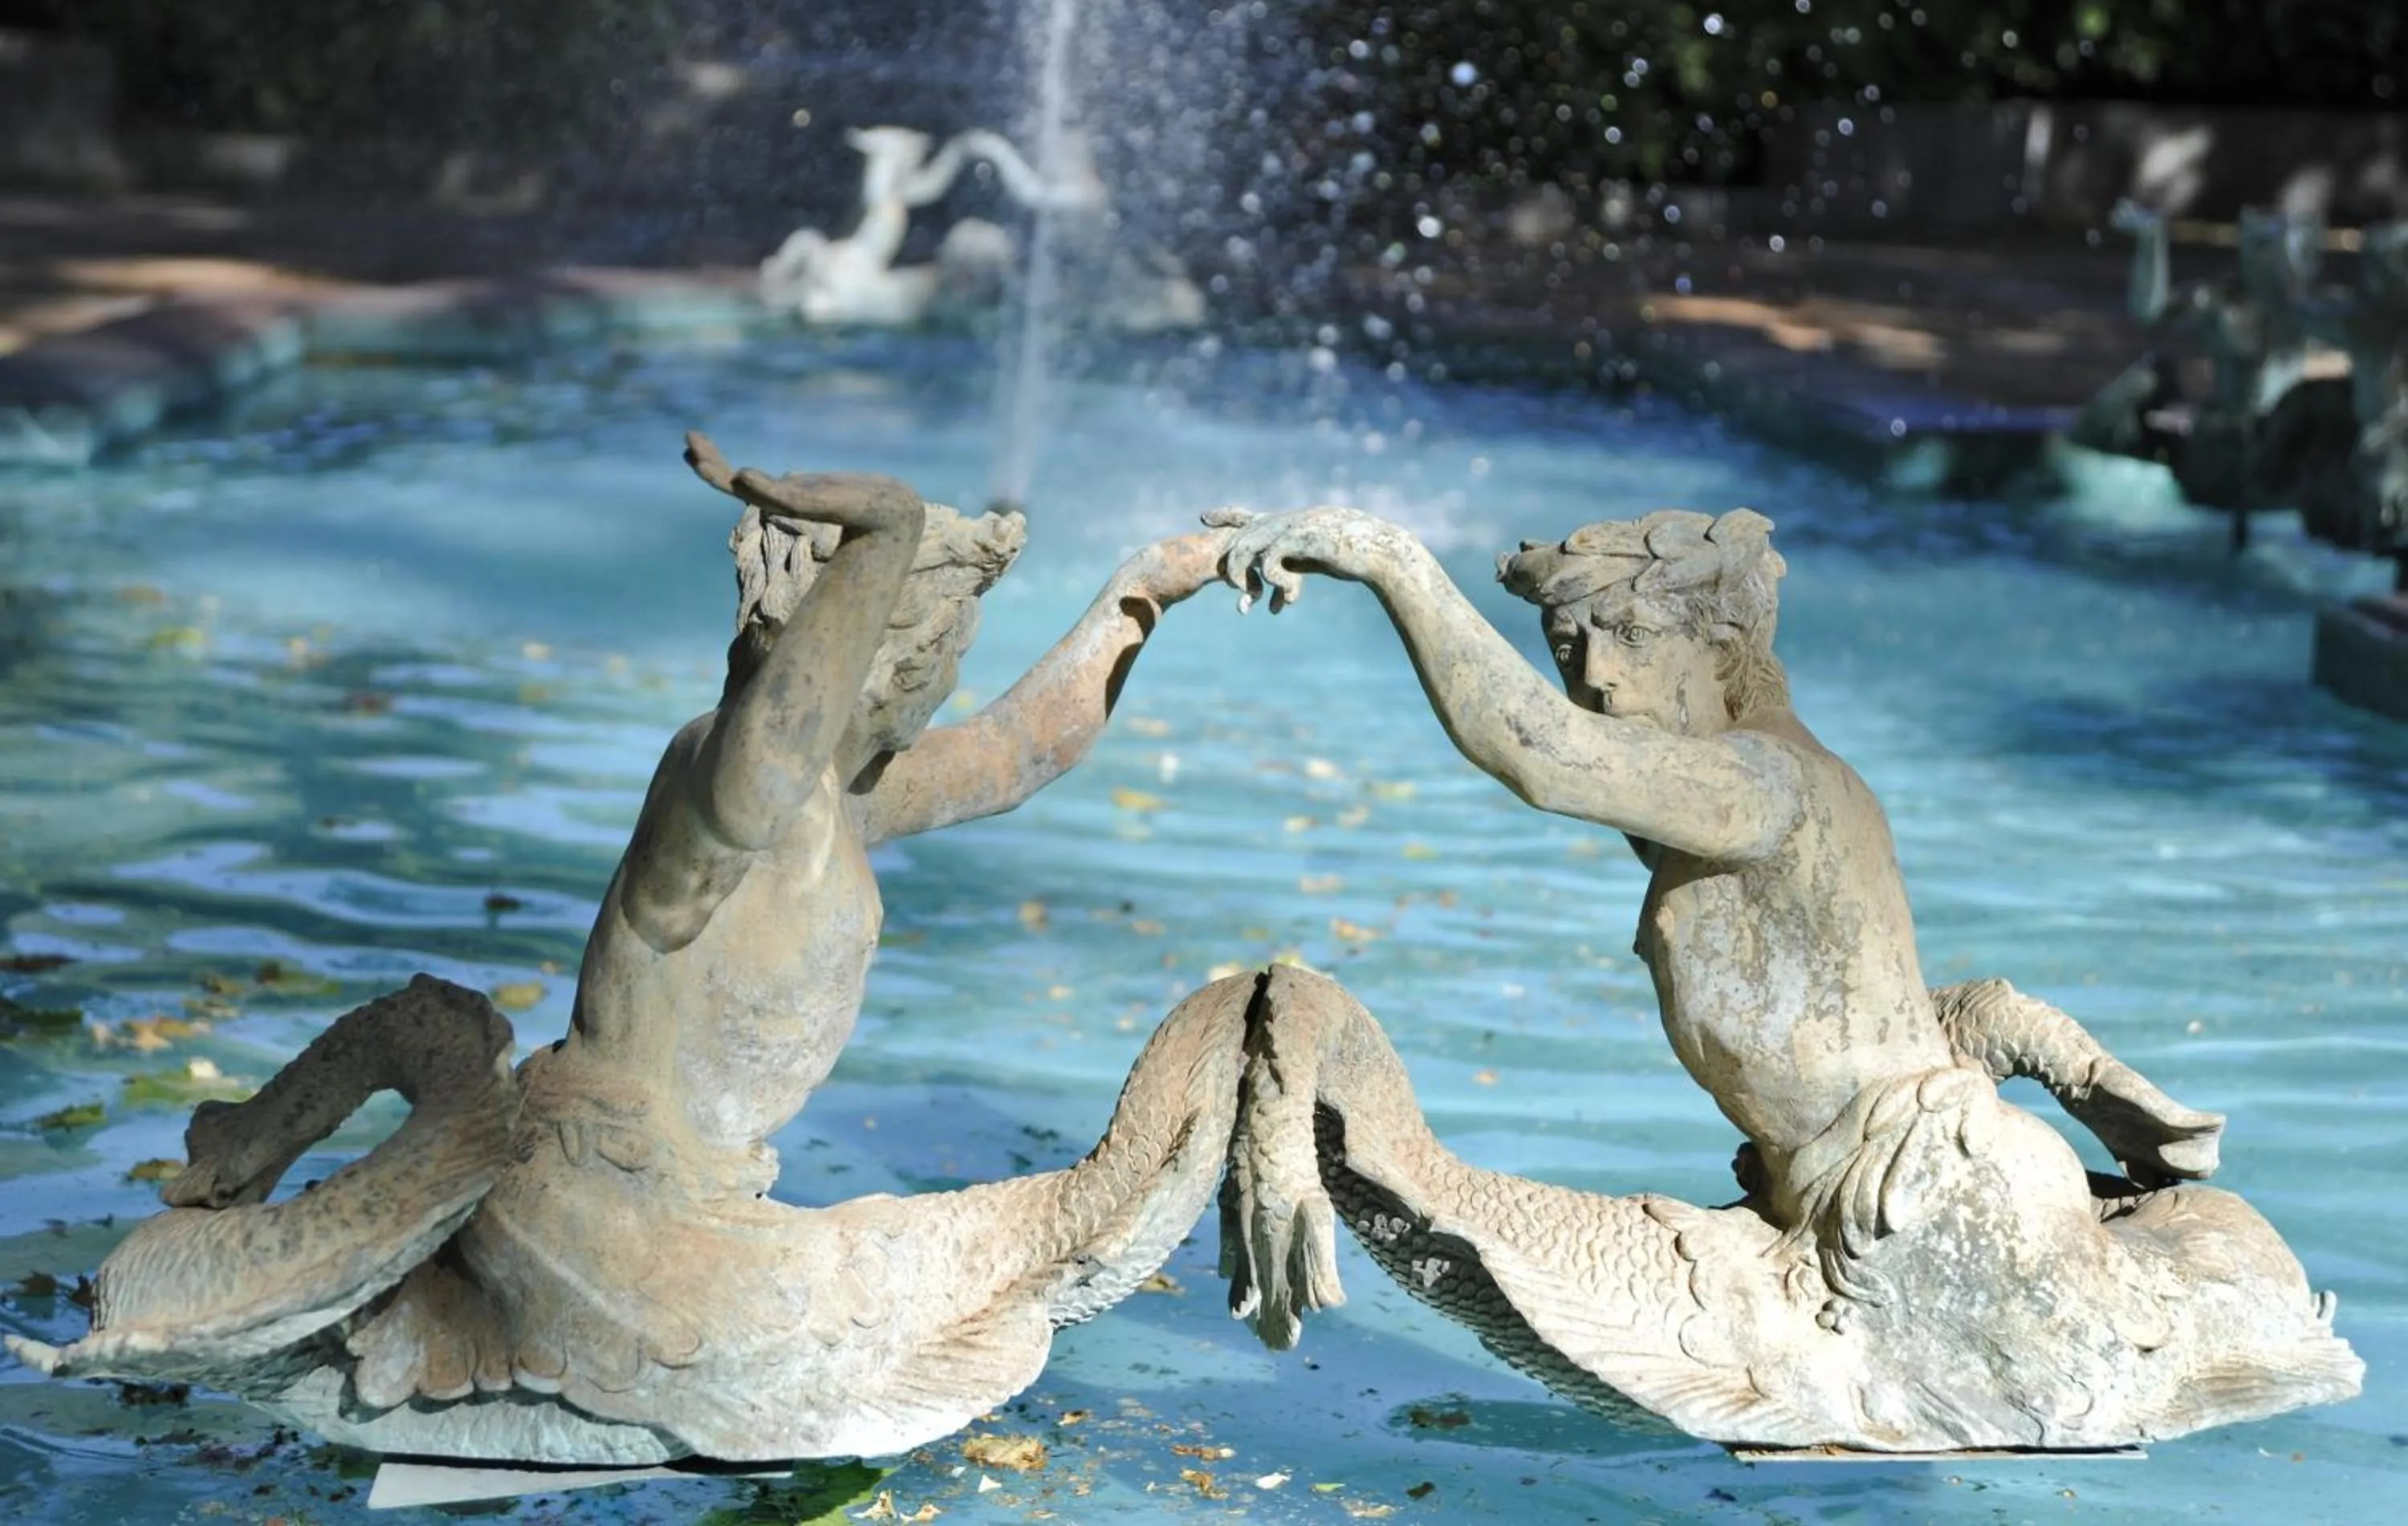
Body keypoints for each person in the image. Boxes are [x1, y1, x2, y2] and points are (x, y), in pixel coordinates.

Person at [17, 437, 1259, 1467]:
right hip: (591, 1208)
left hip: (675, 1195)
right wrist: (883, 536)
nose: (946, 680)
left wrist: (1150, 586)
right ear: (882, 644)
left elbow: (1019, 752)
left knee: (951, 1286)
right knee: (844, 1347)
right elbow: (781, 732)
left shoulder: (839, 799)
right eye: (936, 648)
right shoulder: (726, 781)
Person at [1205, 502, 2358, 1451]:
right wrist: (2070, 1061)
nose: (1596, 676)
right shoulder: (1750, 785)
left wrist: (1388, 558)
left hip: (1924, 1220)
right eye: (1571, 647)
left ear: (1718, 646)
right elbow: (1888, 1000)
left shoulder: (1761, 786)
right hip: (1901, 1187)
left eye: (1626, 637)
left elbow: (1539, 758)